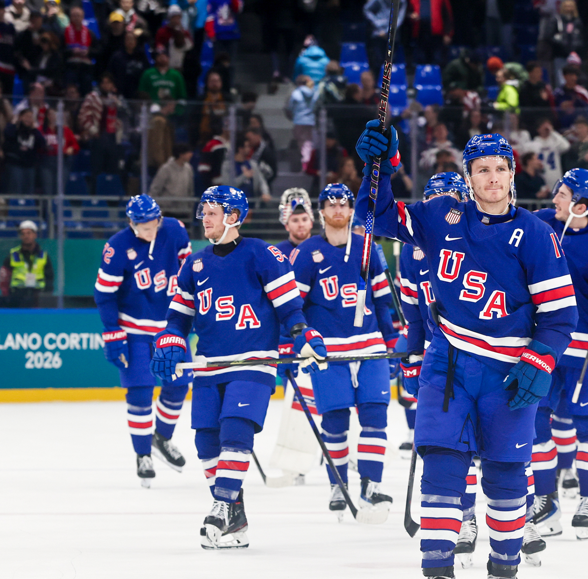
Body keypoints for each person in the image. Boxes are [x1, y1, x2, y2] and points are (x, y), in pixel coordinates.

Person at [354, 125, 577, 579]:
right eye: (481, 170)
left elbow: (559, 316)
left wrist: (541, 359)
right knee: (441, 464)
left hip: (510, 370)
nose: (491, 178)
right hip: (449, 360)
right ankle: (437, 569)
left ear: (512, 175)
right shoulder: (442, 216)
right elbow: (373, 216)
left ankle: (504, 565)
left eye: (499, 169)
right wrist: (379, 166)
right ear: (468, 176)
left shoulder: (535, 234)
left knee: (505, 475)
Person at [151, 185, 328, 550]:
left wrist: (304, 335)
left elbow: (291, 311)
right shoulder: (195, 263)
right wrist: (170, 339)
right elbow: (177, 318)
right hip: (209, 364)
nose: (204, 218)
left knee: (235, 429)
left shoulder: (262, 254)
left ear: (233, 217)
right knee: (206, 441)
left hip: (253, 362)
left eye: (212, 212)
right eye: (204, 212)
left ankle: (220, 505)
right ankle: (235, 517)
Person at [288, 183, 399, 521]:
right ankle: (338, 484)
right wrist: (298, 341)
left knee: (375, 416)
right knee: (335, 420)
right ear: (321, 211)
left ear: (352, 210)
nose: (338, 210)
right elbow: (295, 307)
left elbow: (382, 301)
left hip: (369, 347)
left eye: (344, 204)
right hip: (328, 351)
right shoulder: (307, 253)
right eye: (331, 205)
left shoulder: (368, 248)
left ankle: (371, 483)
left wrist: (392, 340)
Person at [531, 168, 588, 541]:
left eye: (562, 194)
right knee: (534, 421)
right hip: (545, 347)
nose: (554, 199)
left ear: (581, 205)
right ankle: (545, 497)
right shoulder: (542, 225)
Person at [93, 196, 193, 487]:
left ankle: (161, 438)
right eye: (141, 226)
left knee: (177, 386)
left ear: (159, 219)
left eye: (152, 224)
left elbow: (190, 276)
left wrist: (195, 312)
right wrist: (112, 332)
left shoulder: (175, 231)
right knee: (139, 391)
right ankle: (142, 454)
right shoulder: (117, 247)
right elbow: (104, 294)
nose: (148, 231)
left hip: (170, 327)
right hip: (133, 328)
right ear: (130, 222)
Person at [396, 172, 471, 481]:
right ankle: (464, 516)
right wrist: (413, 354)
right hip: (438, 353)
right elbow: (412, 314)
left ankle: (519, 515)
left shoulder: (477, 239)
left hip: (480, 352)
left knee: (497, 445)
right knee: (449, 443)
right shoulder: (411, 250)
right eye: (432, 200)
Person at [1, 220, 53, 307]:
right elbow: (4, 276)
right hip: (17, 297)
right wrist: (6, 296)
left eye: (29, 233)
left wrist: (47, 296)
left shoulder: (43, 256)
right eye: (23, 234)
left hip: (38, 297)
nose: (26, 236)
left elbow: (49, 278)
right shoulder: (13, 255)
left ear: (35, 235)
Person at [409, 0, 453, 67]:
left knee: (437, 62)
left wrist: (448, 34)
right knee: (420, 63)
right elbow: (407, 14)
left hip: (436, 37)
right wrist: (411, 16)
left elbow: (448, 16)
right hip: (420, 36)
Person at [3, 107, 45, 194]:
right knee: (15, 190)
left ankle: (28, 207)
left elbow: (42, 143)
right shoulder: (13, 128)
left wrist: (35, 129)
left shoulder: (34, 132)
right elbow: (7, 137)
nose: (28, 119)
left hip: (29, 166)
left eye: (31, 117)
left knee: (28, 191)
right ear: (20, 117)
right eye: (26, 116)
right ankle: (15, 207)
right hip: (15, 164)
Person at [149, 143, 195, 218]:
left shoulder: (188, 169)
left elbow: (190, 189)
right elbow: (155, 188)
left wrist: (190, 206)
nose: (191, 154)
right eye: (188, 152)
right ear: (181, 154)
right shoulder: (166, 169)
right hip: (167, 210)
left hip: (183, 209)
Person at [526, 116, 571, 191]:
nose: (546, 128)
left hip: (555, 177)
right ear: (538, 129)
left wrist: (553, 132)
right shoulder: (534, 144)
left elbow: (566, 146)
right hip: (540, 177)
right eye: (543, 126)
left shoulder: (555, 142)